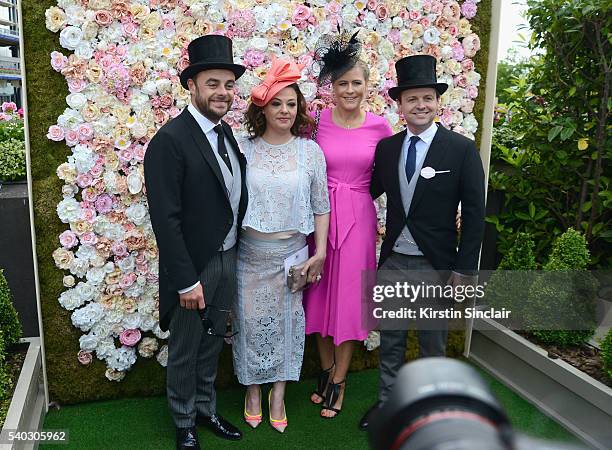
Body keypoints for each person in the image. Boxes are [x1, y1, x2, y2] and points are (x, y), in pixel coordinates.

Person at [359, 54, 486, 430]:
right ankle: (387, 405)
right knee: (392, 343)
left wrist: (464, 270)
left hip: (437, 266)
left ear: (437, 101)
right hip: (395, 262)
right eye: (412, 99)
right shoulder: (387, 149)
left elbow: (476, 215)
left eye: (427, 98)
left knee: (433, 346)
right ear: (399, 105)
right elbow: (365, 191)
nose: (420, 105)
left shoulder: (460, 150)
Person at [144, 35, 247, 449]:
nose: (222, 92)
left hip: (227, 258)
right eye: (212, 84)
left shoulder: (226, 135)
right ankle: (184, 421)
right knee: (186, 349)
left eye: (228, 84)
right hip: (194, 267)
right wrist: (185, 280)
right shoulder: (170, 141)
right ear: (192, 85)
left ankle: (206, 409)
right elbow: (165, 220)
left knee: (211, 346)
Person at [232, 57, 330, 433]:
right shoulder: (243, 148)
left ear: (299, 109)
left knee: (289, 323)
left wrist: (319, 252)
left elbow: (321, 207)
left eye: (291, 104)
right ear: (263, 107)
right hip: (249, 253)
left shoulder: (310, 153)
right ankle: (252, 392)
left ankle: (278, 393)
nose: (285, 110)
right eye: (277, 103)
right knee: (249, 323)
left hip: (293, 256)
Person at [303, 31, 393, 419]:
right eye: (343, 83)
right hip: (320, 220)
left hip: (358, 217)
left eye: (357, 82)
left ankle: (340, 380)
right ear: (331, 88)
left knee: (349, 304)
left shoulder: (381, 128)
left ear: (367, 86)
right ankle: (324, 373)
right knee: (319, 297)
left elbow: (388, 177)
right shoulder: (317, 123)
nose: (350, 89)